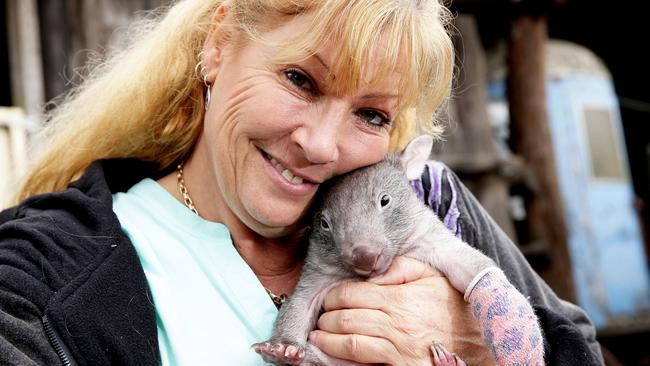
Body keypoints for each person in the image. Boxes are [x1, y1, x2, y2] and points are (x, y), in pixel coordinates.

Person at [0, 0, 603, 365]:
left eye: (372, 115)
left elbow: (576, 349)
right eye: (300, 79)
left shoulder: (432, 207)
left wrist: (478, 347)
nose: (319, 144)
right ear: (219, 44)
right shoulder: (51, 271)